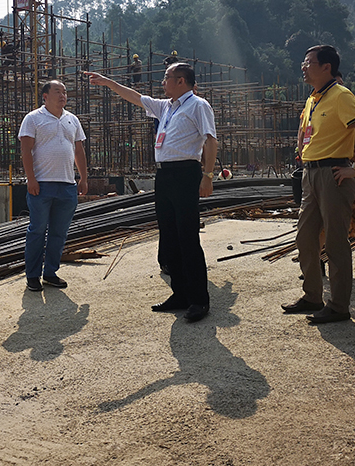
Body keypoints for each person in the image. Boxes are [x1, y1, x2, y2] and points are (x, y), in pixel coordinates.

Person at [87, 63, 217, 323]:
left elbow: (211, 140)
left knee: (187, 237)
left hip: (186, 173)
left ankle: (199, 300)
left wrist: (208, 175)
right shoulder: (166, 106)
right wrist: (108, 82)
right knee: (169, 236)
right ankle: (180, 294)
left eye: (166, 78)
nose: (162, 82)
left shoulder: (198, 105)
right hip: (165, 175)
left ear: (181, 81)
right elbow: (136, 97)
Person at [283, 45, 355, 324]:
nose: (303, 67)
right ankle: (312, 295)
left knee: (335, 242)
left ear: (327, 67)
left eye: (309, 62)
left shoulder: (341, 95)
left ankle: (338, 305)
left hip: (333, 173)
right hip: (311, 174)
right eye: (303, 61)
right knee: (305, 236)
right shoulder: (313, 98)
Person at [18, 80, 88, 291]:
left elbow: (79, 151)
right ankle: (32, 275)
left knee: (59, 232)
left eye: (64, 92)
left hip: (67, 185)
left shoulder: (72, 119)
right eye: (57, 91)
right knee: (37, 230)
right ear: (45, 96)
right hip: (42, 184)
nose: (62, 95)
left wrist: (83, 178)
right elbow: (26, 151)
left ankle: (50, 272)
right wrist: (31, 179)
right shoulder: (33, 118)